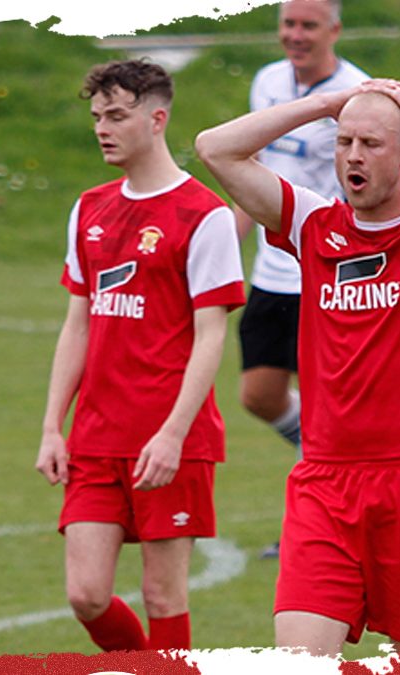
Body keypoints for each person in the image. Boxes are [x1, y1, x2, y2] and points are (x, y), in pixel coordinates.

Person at [195, 79, 400, 654]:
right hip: (325, 481)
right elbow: (216, 147)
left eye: (371, 143)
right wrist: (325, 103)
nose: (353, 157)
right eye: (344, 143)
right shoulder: (312, 226)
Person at [35, 59, 245, 653]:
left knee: (163, 596)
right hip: (97, 436)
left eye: (118, 116)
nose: (103, 127)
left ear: (157, 119)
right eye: (98, 116)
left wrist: (174, 434)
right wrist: (53, 426)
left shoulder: (203, 216)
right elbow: (77, 324)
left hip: (171, 437)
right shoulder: (89, 209)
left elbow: (211, 336)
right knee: (86, 595)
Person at [235, 0, 368, 561]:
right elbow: (254, 171)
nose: (295, 34)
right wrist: (223, 245)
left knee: (330, 410)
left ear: (334, 30)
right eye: (288, 23)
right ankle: (317, 470)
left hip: (326, 273)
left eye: (308, 24)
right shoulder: (267, 82)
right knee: (259, 395)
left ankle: (325, 523)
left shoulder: (358, 94)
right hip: (271, 273)